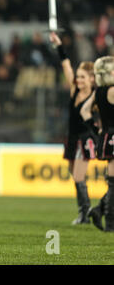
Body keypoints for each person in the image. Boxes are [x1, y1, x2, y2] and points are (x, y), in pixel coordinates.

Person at [49, 32, 97, 225]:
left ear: (92, 79)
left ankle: (85, 214)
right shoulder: (74, 89)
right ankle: (84, 211)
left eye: (83, 77)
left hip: (85, 138)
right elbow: (66, 65)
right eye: (78, 76)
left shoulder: (95, 97)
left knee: (78, 176)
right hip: (72, 137)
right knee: (75, 176)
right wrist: (59, 45)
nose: (79, 79)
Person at [81, 56, 114, 232]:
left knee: (113, 183)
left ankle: (99, 211)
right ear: (109, 72)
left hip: (107, 137)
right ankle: (110, 223)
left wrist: (96, 131)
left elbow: (85, 110)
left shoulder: (99, 91)